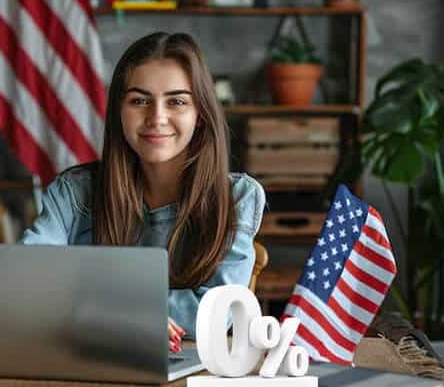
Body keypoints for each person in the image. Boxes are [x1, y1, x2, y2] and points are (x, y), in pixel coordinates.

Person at [22, 32, 265, 354]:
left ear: (201, 115)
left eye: (177, 101)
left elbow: (213, 314)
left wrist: (104, 309)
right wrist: (127, 314)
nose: (156, 118)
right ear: (119, 110)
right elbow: (27, 278)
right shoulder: (75, 191)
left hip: (187, 362)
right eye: (139, 100)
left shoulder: (238, 196)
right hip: (87, 356)